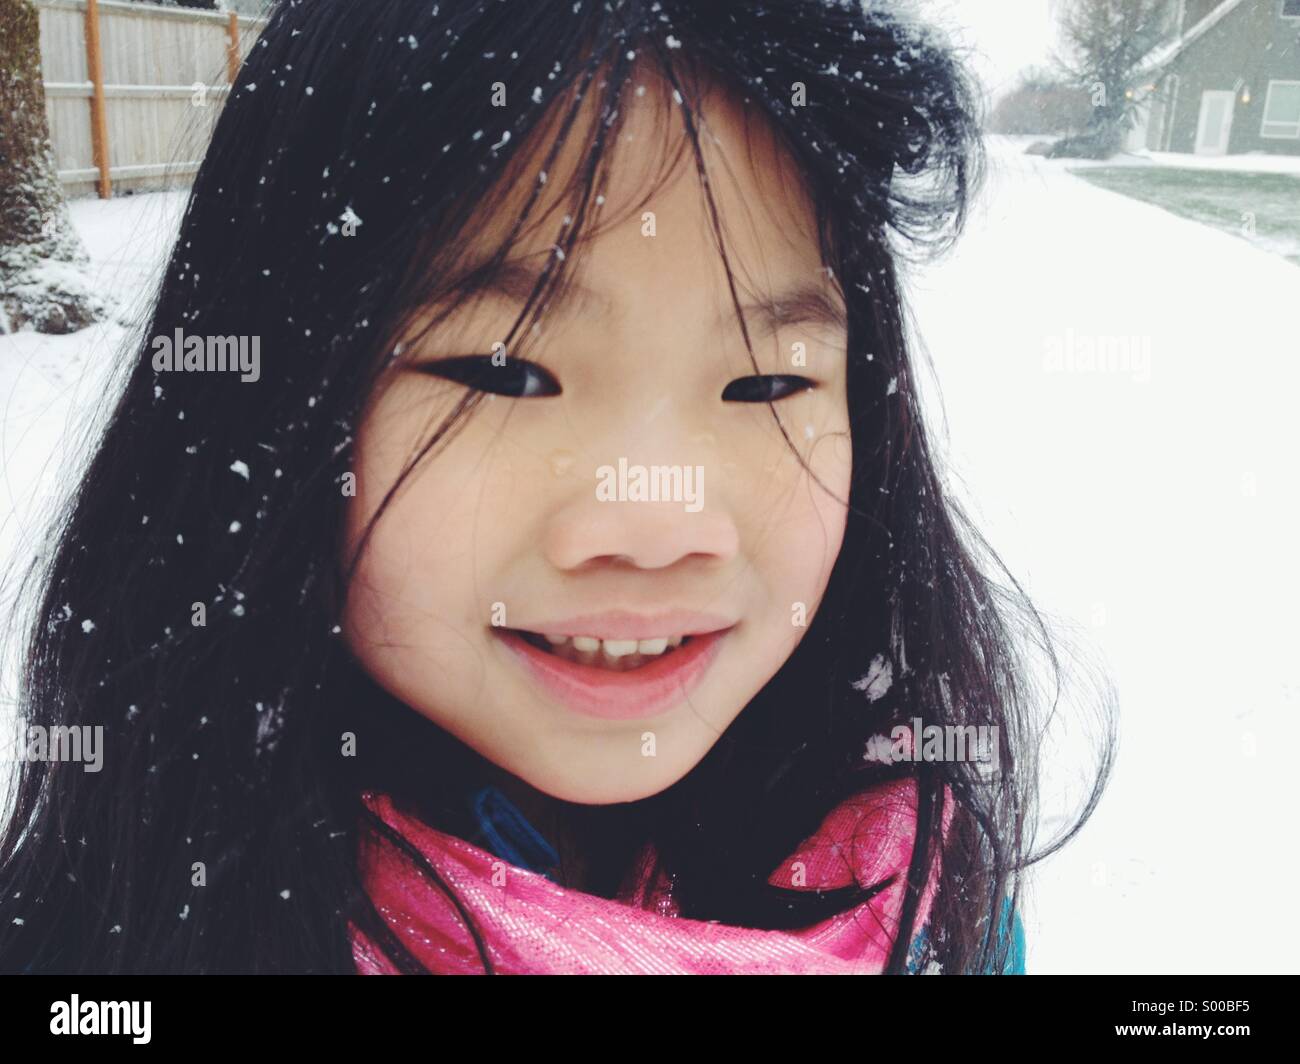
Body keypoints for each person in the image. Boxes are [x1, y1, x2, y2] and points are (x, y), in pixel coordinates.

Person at [0, 0, 1111, 974]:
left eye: (767, 380)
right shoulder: (111, 940)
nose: (659, 525)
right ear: (273, 410)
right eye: (503, 371)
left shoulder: (916, 900)